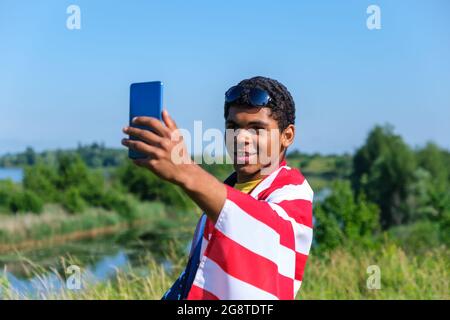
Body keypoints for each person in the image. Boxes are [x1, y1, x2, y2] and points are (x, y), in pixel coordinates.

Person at [121, 76, 313, 300]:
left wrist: (185, 170)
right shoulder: (227, 192)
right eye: (233, 127)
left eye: (257, 129)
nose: (241, 138)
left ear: (287, 136)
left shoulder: (293, 190)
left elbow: (264, 229)